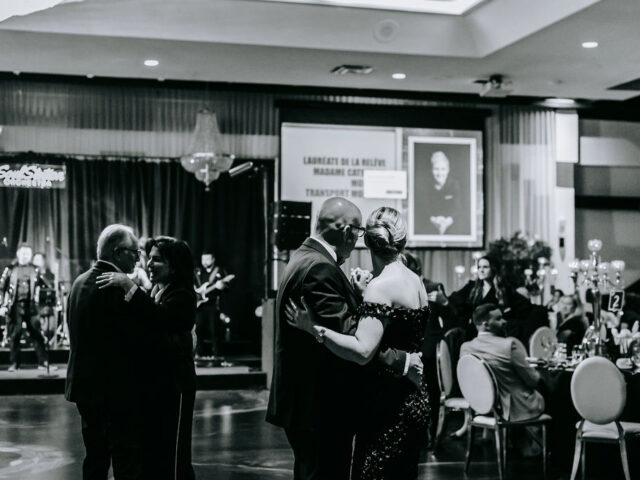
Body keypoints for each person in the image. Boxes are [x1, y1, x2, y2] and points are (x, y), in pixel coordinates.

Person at [266, 198, 422, 480]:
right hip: (320, 407)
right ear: (348, 232)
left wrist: (358, 300)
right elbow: (355, 338)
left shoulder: (304, 257)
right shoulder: (320, 269)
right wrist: (401, 360)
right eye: (357, 232)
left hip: (309, 403)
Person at [96, 236, 197, 480]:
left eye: (157, 260)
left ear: (174, 266)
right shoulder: (157, 290)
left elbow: (159, 317)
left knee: (174, 452)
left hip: (176, 386)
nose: (149, 264)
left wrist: (128, 286)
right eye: (149, 258)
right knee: (156, 448)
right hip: (158, 385)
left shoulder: (182, 294)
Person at [65, 224, 144, 479]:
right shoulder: (114, 286)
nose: (137, 259)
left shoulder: (79, 281)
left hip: (83, 385)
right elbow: (131, 339)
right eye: (135, 252)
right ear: (117, 252)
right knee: (125, 458)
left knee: (95, 457)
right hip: (112, 388)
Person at [460, 303, 545, 456]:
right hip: (514, 408)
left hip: (483, 407)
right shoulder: (509, 345)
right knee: (553, 393)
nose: (504, 321)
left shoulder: (466, 348)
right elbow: (532, 380)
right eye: (498, 319)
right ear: (485, 324)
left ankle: (523, 445)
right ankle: (553, 452)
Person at [403, 252, 459, 445]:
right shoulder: (400, 287)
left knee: (432, 393)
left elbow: (453, 319)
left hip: (430, 349)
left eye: (406, 265)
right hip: (406, 349)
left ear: (415, 267)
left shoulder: (434, 287)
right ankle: (413, 434)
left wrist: (445, 303)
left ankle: (433, 433)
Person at [0, 243, 49, 371]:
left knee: (37, 333)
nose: (25, 255)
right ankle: (15, 363)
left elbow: (46, 287)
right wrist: (2, 305)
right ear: (18, 253)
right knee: (14, 335)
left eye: (28, 253)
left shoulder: (35, 270)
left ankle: (43, 362)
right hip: (15, 306)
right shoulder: (10, 269)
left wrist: (43, 302)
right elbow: (1, 288)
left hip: (31, 306)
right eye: (23, 253)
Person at [194, 250, 229, 359]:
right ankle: (199, 354)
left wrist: (222, 286)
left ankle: (217, 355)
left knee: (215, 330)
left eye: (207, 259)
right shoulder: (197, 271)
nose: (205, 262)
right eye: (203, 259)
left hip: (213, 305)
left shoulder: (220, 271)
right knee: (198, 329)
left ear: (213, 259)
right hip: (200, 305)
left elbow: (227, 288)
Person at [425, 151, 462, 235]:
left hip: (453, 229)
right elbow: (424, 209)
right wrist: (434, 220)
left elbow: (459, 208)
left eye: (443, 169)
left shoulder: (455, 185)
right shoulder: (426, 186)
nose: (440, 173)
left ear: (448, 170)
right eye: (436, 169)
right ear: (431, 170)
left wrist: (447, 221)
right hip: (430, 229)